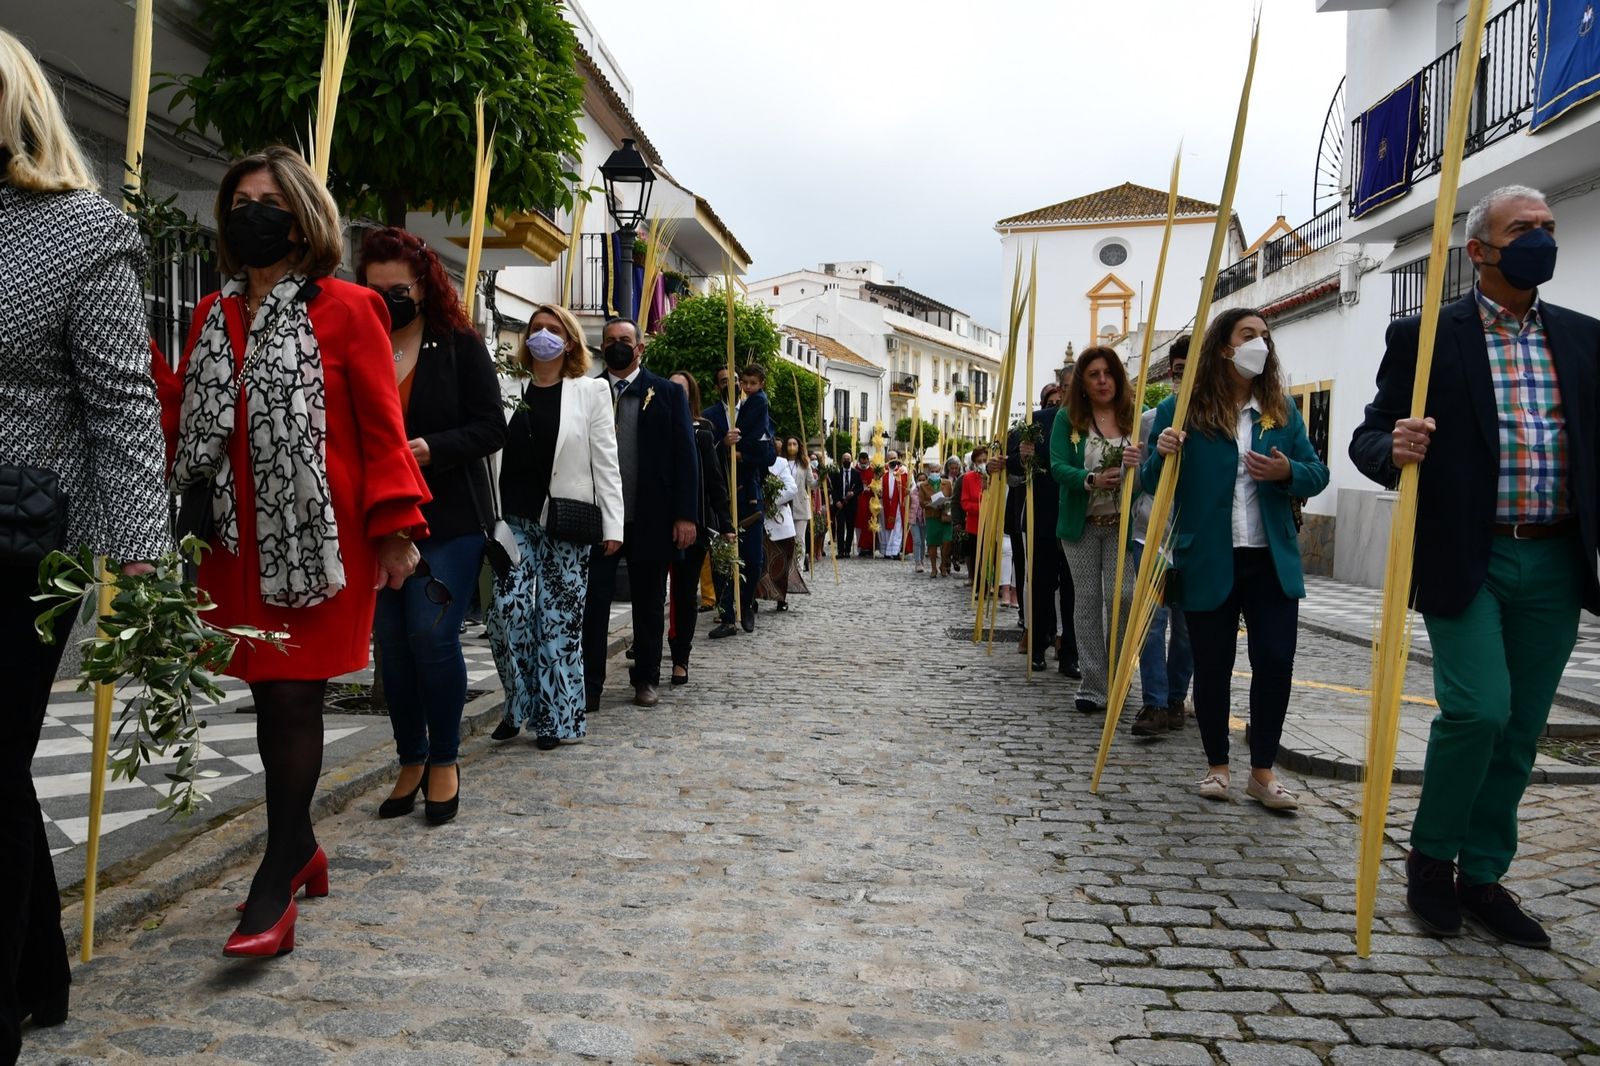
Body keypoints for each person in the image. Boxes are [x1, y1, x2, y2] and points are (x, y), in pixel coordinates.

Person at [152, 145, 430, 958]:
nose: (252, 212)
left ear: (304, 213)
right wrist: (134, 357)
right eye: (239, 200)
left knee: (292, 700)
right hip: (236, 541)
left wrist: (397, 528)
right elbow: (190, 425)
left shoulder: (350, 308)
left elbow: (381, 427)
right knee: (266, 698)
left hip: (322, 541)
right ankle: (301, 844)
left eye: (269, 199)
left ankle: (276, 875)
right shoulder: (212, 314)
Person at [1350, 185, 1600, 949]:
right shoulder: (1425, 336)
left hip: (1555, 557)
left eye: (1549, 228)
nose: (1542, 239)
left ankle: (1484, 874)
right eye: (1524, 228)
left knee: (1522, 728)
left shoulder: (1587, 339)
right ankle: (1431, 859)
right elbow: (1368, 436)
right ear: (1479, 250)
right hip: (1470, 555)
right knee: (1479, 709)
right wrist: (1394, 449)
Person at [0, 30, 172, 1055]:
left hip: (23, 546)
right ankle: (40, 972)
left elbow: (123, 408)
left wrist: (142, 549)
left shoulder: (83, 233)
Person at [1147, 308, 1328, 810]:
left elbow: (1318, 473)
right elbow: (1148, 486)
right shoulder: (1181, 412)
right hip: (1209, 556)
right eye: (1249, 334)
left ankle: (1263, 771)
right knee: (1212, 666)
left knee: (1276, 661)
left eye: (1265, 336)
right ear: (1223, 346)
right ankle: (1217, 766)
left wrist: (1287, 469)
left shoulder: (1282, 411)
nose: (1260, 344)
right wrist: (1161, 452)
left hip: (1270, 558)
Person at [357, 227, 505, 824]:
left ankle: (444, 758)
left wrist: (431, 449)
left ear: (424, 286)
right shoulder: (358, 340)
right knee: (390, 643)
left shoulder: (459, 344)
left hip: (448, 515)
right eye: (374, 288)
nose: (386, 298)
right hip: (378, 519)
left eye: (398, 288)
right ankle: (410, 758)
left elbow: (492, 426)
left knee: (432, 634)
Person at [489, 306, 623, 746]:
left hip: (568, 521)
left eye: (553, 329)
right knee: (506, 613)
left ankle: (556, 719)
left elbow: (606, 460)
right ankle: (518, 703)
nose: (542, 335)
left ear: (569, 342)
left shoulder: (590, 392)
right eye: (535, 329)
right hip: (513, 521)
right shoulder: (506, 386)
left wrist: (613, 524)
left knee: (558, 623)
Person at [582, 318, 699, 708]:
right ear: (601, 348)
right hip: (600, 519)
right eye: (610, 341)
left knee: (648, 602)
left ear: (640, 347)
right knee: (594, 602)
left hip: (652, 516)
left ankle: (646, 677)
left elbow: (686, 457)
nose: (617, 346)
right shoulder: (587, 391)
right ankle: (590, 684)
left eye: (624, 340)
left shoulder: (666, 393)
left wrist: (686, 515)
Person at [1049, 347, 1144, 715]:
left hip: (1125, 522)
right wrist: (1090, 478)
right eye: (1094, 374)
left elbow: (1151, 467)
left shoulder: (1133, 417)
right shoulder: (1067, 420)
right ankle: (1093, 684)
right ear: (1083, 384)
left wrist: (1139, 464)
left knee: (1124, 597)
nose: (1102, 380)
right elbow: (1058, 466)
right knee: (1087, 604)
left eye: (1108, 373)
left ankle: (1118, 676)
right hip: (1082, 525)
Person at [1130, 337, 1193, 737]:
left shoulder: (1219, 421)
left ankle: (1174, 698)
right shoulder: (1153, 419)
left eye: (1191, 370)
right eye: (1177, 370)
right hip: (1151, 532)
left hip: (1193, 537)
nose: (1181, 378)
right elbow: (1139, 480)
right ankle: (1152, 702)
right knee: (1152, 622)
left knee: (1188, 628)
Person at [1008, 382, 1079, 677]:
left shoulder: (1094, 420)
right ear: (1063, 388)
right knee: (1040, 585)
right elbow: (1011, 468)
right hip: (1044, 516)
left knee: (1074, 592)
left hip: (1078, 517)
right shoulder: (1038, 421)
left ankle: (1070, 655)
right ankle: (1037, 647)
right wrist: (1021, 456)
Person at [666, 370, 730, 686]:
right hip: (656, 523)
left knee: (684, 593)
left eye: (683, 389)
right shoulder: (654, 426)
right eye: (671, 389)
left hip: (694, 524)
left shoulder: (703, 432)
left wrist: (726, 522)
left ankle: (681, 658)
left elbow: (715, 481)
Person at [707, 364, 776, 637]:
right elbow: (703, 450)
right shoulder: (711, 417)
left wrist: (744, 456)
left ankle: (746, 602)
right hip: (721, 495)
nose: (733, 385)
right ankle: (726, 615)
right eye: (725, 381)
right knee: (723, 559)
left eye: (736, 380)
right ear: (718, 387)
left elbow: (769, 454)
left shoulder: (755, 411)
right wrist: (724, 444)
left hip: (749, 495)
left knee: (753, 557)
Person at [757, 452, 800, 610]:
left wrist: (770, 500)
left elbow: (791, 488)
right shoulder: (745, 459)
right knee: (756, 561)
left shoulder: (780, 463)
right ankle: (752, 597)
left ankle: (781, 597)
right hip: (754, 518)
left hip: (777, 518)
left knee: (781, 560)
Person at [960, 446, 989, 586]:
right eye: (979, 461)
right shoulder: (968, 478)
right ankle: (978, 585)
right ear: (974, 462)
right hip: (974, 525)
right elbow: (965, 503)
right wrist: (981, 508)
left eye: (985, 460)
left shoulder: (993, 477)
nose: (982, 463)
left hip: (991, 523)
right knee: (976, 555)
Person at [786, 438, 815, 572]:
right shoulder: (781, 462)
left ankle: (798, 570)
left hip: (800, 505)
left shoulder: (804, 463)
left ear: (799, 446)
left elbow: (812, 484)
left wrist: (821, 479)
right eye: (789, 444)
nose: (792, 447)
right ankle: (787, 569)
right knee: (786, 540)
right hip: (784, 505)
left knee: (799, 539)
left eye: (794, 444)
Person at [921, 468, 952, 577]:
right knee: (932, 543)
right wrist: (931, 503)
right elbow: (922, 502)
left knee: (947, 541)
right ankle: (933, 568)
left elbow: (951, 498)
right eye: (932, 471)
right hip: (932, 516)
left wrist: (945, 502)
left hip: (945, 516)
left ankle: (943, 564)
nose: (934, 473)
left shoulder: (947, 483)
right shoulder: (923, 485)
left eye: (936, 471)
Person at [831, 448, 863, 556]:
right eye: (844, 459)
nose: (846, 460)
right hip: (840, 505)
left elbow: (860, 487)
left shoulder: (856, 473)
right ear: (841, 460)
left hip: (852, 505)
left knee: (850, 528)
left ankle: (847, 550)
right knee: (840, 527)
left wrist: (853, 493)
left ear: (851, 460)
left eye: (848, 459)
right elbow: (833, 489)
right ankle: (840, 551)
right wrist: (836, 502)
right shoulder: (836, 472)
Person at [879, 451, 910, 560]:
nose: (892, 459)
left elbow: (912, 485)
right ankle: (886, 551)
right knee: (885, 527)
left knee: (897, 527)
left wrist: (908, 491)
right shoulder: (882, 471)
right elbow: (877, 485)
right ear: (887, 459)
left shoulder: (903, 471)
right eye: (890, 458)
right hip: (884, 503)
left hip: (898, 504)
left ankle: (895, 550)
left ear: (898, 458)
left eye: (894, 457)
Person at [909, 467, 928, 572]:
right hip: (914, 519)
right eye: (919, 480)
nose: (921, 482)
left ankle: (922, 560)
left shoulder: (928, 492)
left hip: (924, 519)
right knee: (917, 541)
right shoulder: (912, 492)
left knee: (922, 541)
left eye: (923, 479)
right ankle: (917, 562)